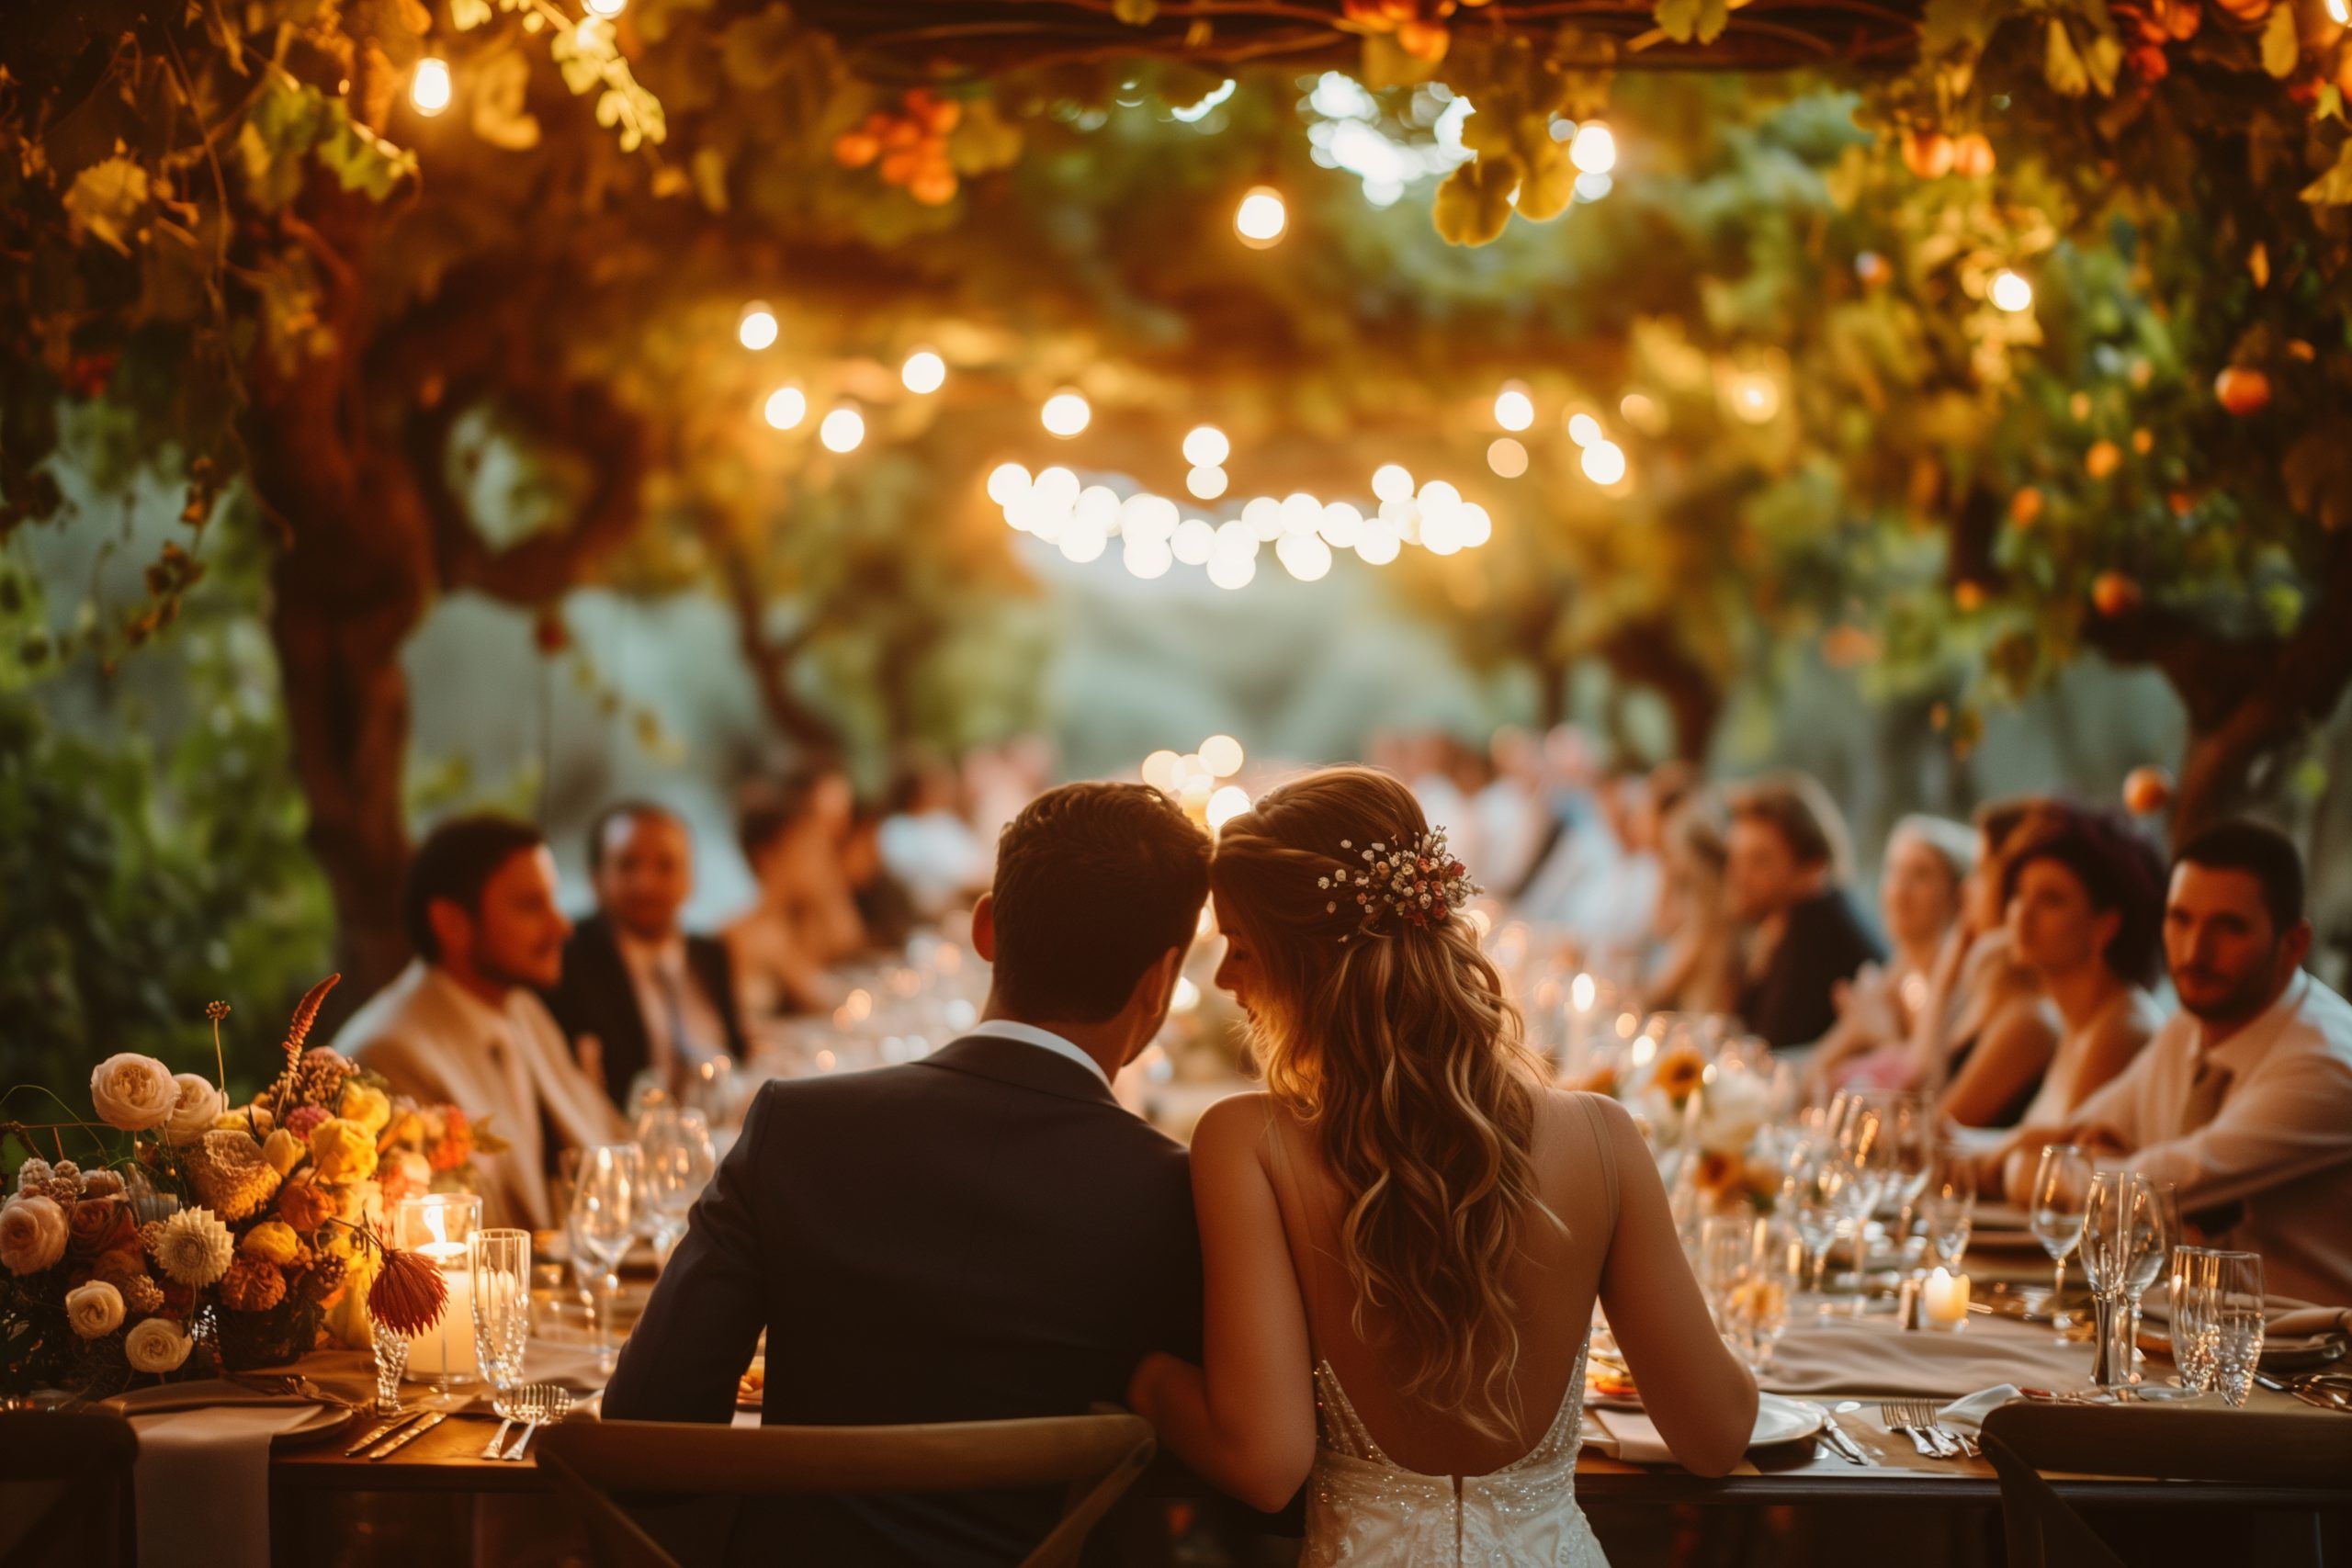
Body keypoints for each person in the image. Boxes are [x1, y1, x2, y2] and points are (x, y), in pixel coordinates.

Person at [1128, 767, 1757, 1562]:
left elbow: (1264, 1462)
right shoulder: (1605, 1139)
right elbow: (1716, 1433)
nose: (1223, 981)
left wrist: (1144, 1378)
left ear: (1310, 962)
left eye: (1242, 949)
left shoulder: (1244, 1143)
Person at [603, 783, 1214, 1565]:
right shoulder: (1166, 1191)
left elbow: (645, 1440)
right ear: (1162, 979)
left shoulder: (797, 1126)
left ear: (986, 928)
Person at [1989, 820, 2352, 1305]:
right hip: (2180, 1329)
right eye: (2181, 919)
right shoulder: (2189, 1026)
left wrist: (2047, 1171)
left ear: (2293, 945)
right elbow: (2070, 1139)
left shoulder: (2326, 1063)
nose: (2195, 951)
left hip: (2314, 1358)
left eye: (2229, 927)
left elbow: (2139, 1189)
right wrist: (2094, 1166)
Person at [332, 815, 622, 1229]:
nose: (562, 925)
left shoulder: (521, 1009)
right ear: (451, 924)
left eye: (552, 900)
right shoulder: (389, 1051)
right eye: (530, 905)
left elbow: (609, 1137)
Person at [548, 801, 751, 1111]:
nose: (647, 883)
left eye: (666, 866)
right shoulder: (568, 961)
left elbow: (739, 1052)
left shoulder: (710, 953)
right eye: (627, 865)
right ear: (596, 879)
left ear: (690, 878)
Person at [1989, 811, 2165, 1132]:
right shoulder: (2078, 1020)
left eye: (2051, 900)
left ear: (2105, 927)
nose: (2023, 913)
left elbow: (2064, 1165)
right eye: (2019, 893)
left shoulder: (2121, 1029)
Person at [1922, 799, 2068, 1125]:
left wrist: (1942, 985)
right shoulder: (1991, 986)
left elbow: (1932, 1125)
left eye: (1981, 871)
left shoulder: (2030, 1017)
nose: (1966, 888)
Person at [1804, 815, 1973, 1097]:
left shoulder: (1962, 987)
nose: (1900, 890)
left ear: (1957, 894)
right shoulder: (1895, 975)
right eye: (1894, 871)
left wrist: (1884, 1039)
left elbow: (1925, 1095)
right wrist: (1855, 1031)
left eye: (1921, 875)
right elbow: (1810, 1077)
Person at [1724, 774, 1884, 1049]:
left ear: (1811, 866)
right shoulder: (1784, 922)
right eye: (1736, 859)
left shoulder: (1816, 923)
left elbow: (1768, 1048)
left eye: (1759, 861)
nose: (1739, 877)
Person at [724, 769, 857, 1025]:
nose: (819, 861)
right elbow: (830, 1002)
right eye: (806, 849)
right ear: (768, 857)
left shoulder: (795, 924)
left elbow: (846, 940)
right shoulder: (750, 934)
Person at [1641, 795, 1741, 1016]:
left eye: (1673, 851)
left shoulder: (1711, 917)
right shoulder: (1700, 906)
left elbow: (1656, 993)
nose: (1671, 861)